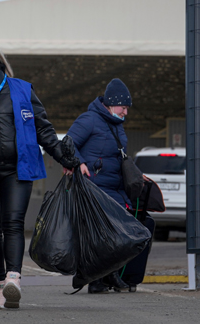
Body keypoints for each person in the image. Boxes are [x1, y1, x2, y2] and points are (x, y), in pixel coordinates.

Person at [0, 41, 85, 309]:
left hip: (17, 169)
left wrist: (65, 158)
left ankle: (14, 279)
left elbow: (43, 129)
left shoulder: (21, 90)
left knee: (13, 223)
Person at [65, 77, 153, 293]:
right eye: (124, 107)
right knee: (109, 231)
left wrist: (137, 175)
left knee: (140, 225)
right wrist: (78, 163)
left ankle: (108, 277)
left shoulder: (117, 126)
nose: (126, 113)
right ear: (112, 103)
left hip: (115, 190)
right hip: (95, 188)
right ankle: (105, 277)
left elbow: (118, 159)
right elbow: (67, 142)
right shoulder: (89, 120)